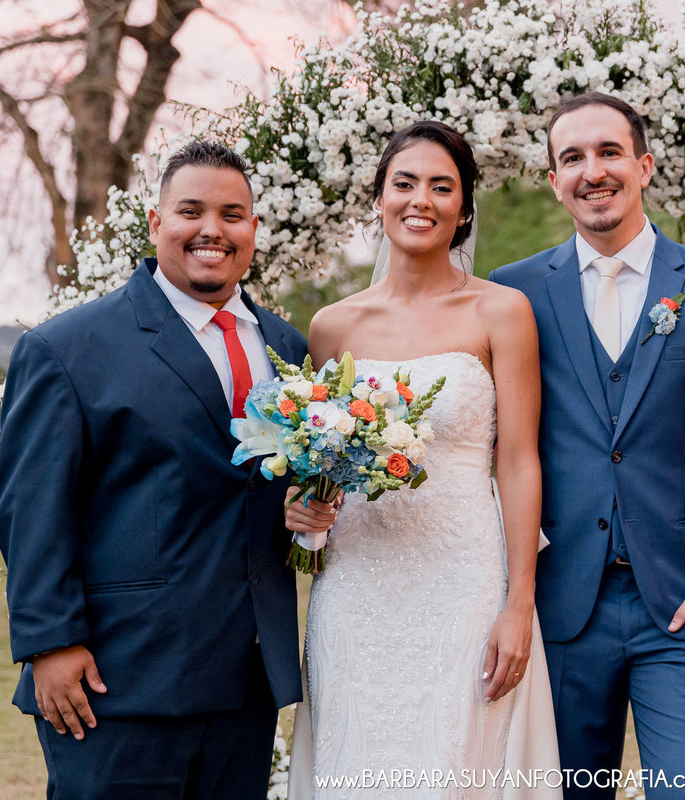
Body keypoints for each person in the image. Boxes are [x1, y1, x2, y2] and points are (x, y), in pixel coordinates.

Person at [0, 141, 334, 799]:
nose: (212, 230)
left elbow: (261, 494)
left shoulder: (288, 350)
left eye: (232, 214)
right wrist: (49, 643)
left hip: (247, 680)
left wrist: (304, 511)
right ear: (156, 223)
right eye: (191, 211)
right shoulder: (67, 348)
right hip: (118, 679)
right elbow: (31, 509)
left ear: (253, 228)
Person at [490, 92, 685, 797]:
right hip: (559, 608)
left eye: (610, 152)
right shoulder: (512, 294)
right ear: (554, 181)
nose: (593, 171)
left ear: (644, 167)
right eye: (573, 158)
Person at [284, 120, 560, 798]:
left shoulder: (502, 311)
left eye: (442, 187)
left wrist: (519, 603)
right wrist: (302, 511)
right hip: (355, 584)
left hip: (464, 581)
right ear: (379, 197)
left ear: (464, 208)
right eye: (404, 183)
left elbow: (518, 462)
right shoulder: (332, 326)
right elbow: (319, 464)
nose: (421, 200)